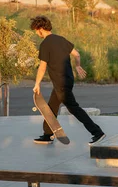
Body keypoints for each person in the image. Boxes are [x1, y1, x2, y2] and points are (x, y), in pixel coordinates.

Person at [30, 15, 105, 145]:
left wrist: (37, 84)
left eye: (36, 31)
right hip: (68, 80)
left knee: (74, 108)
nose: (37, 34)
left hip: (61, 83)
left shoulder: (45, 44)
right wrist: (77, 65)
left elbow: (42, 67)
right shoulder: (61, 39)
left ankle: (97, 132)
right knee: (51, 107)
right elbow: (77, 54)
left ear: (40, 28)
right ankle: (48, 134)